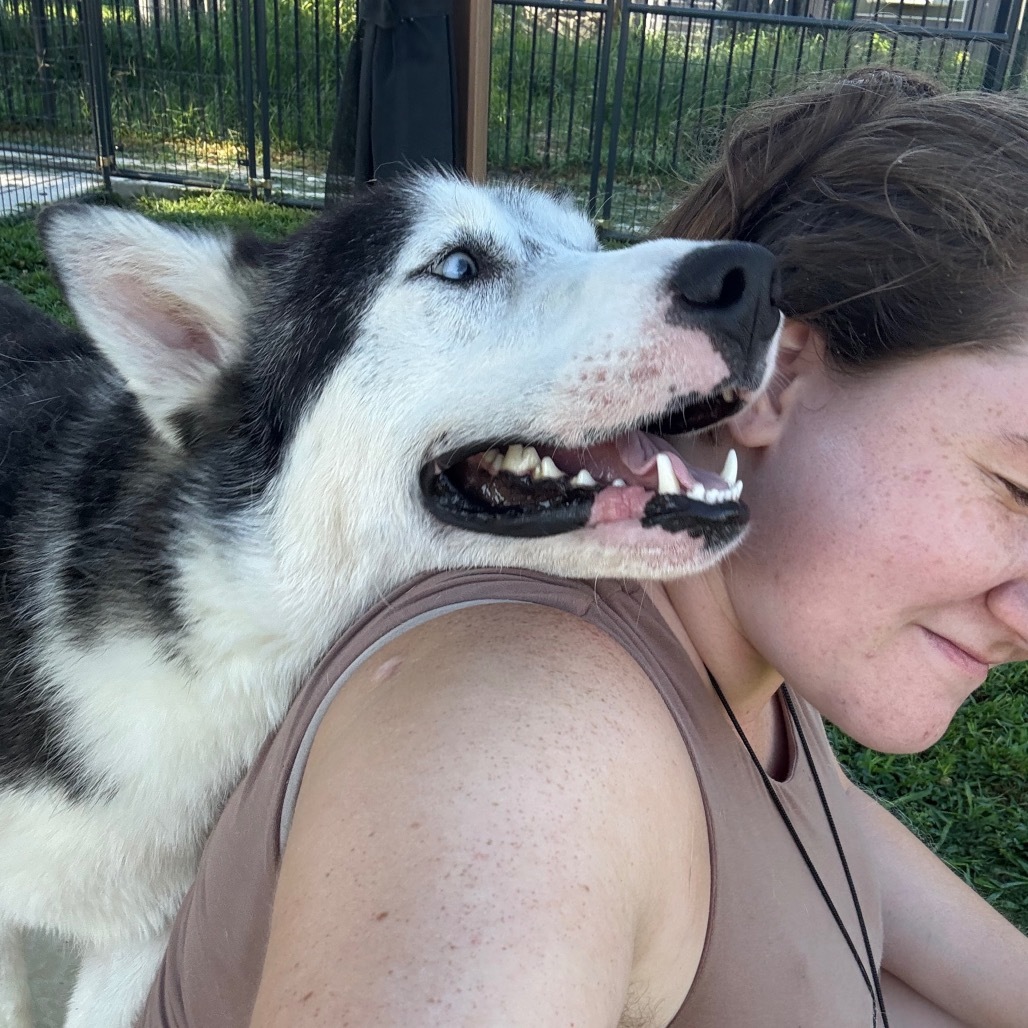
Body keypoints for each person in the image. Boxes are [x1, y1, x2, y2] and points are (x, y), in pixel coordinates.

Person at [139, 68, 1028, 1027]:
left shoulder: (747, 654)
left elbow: (842, 873)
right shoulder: (516, 747)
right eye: (1018, 488)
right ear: (777, 378)